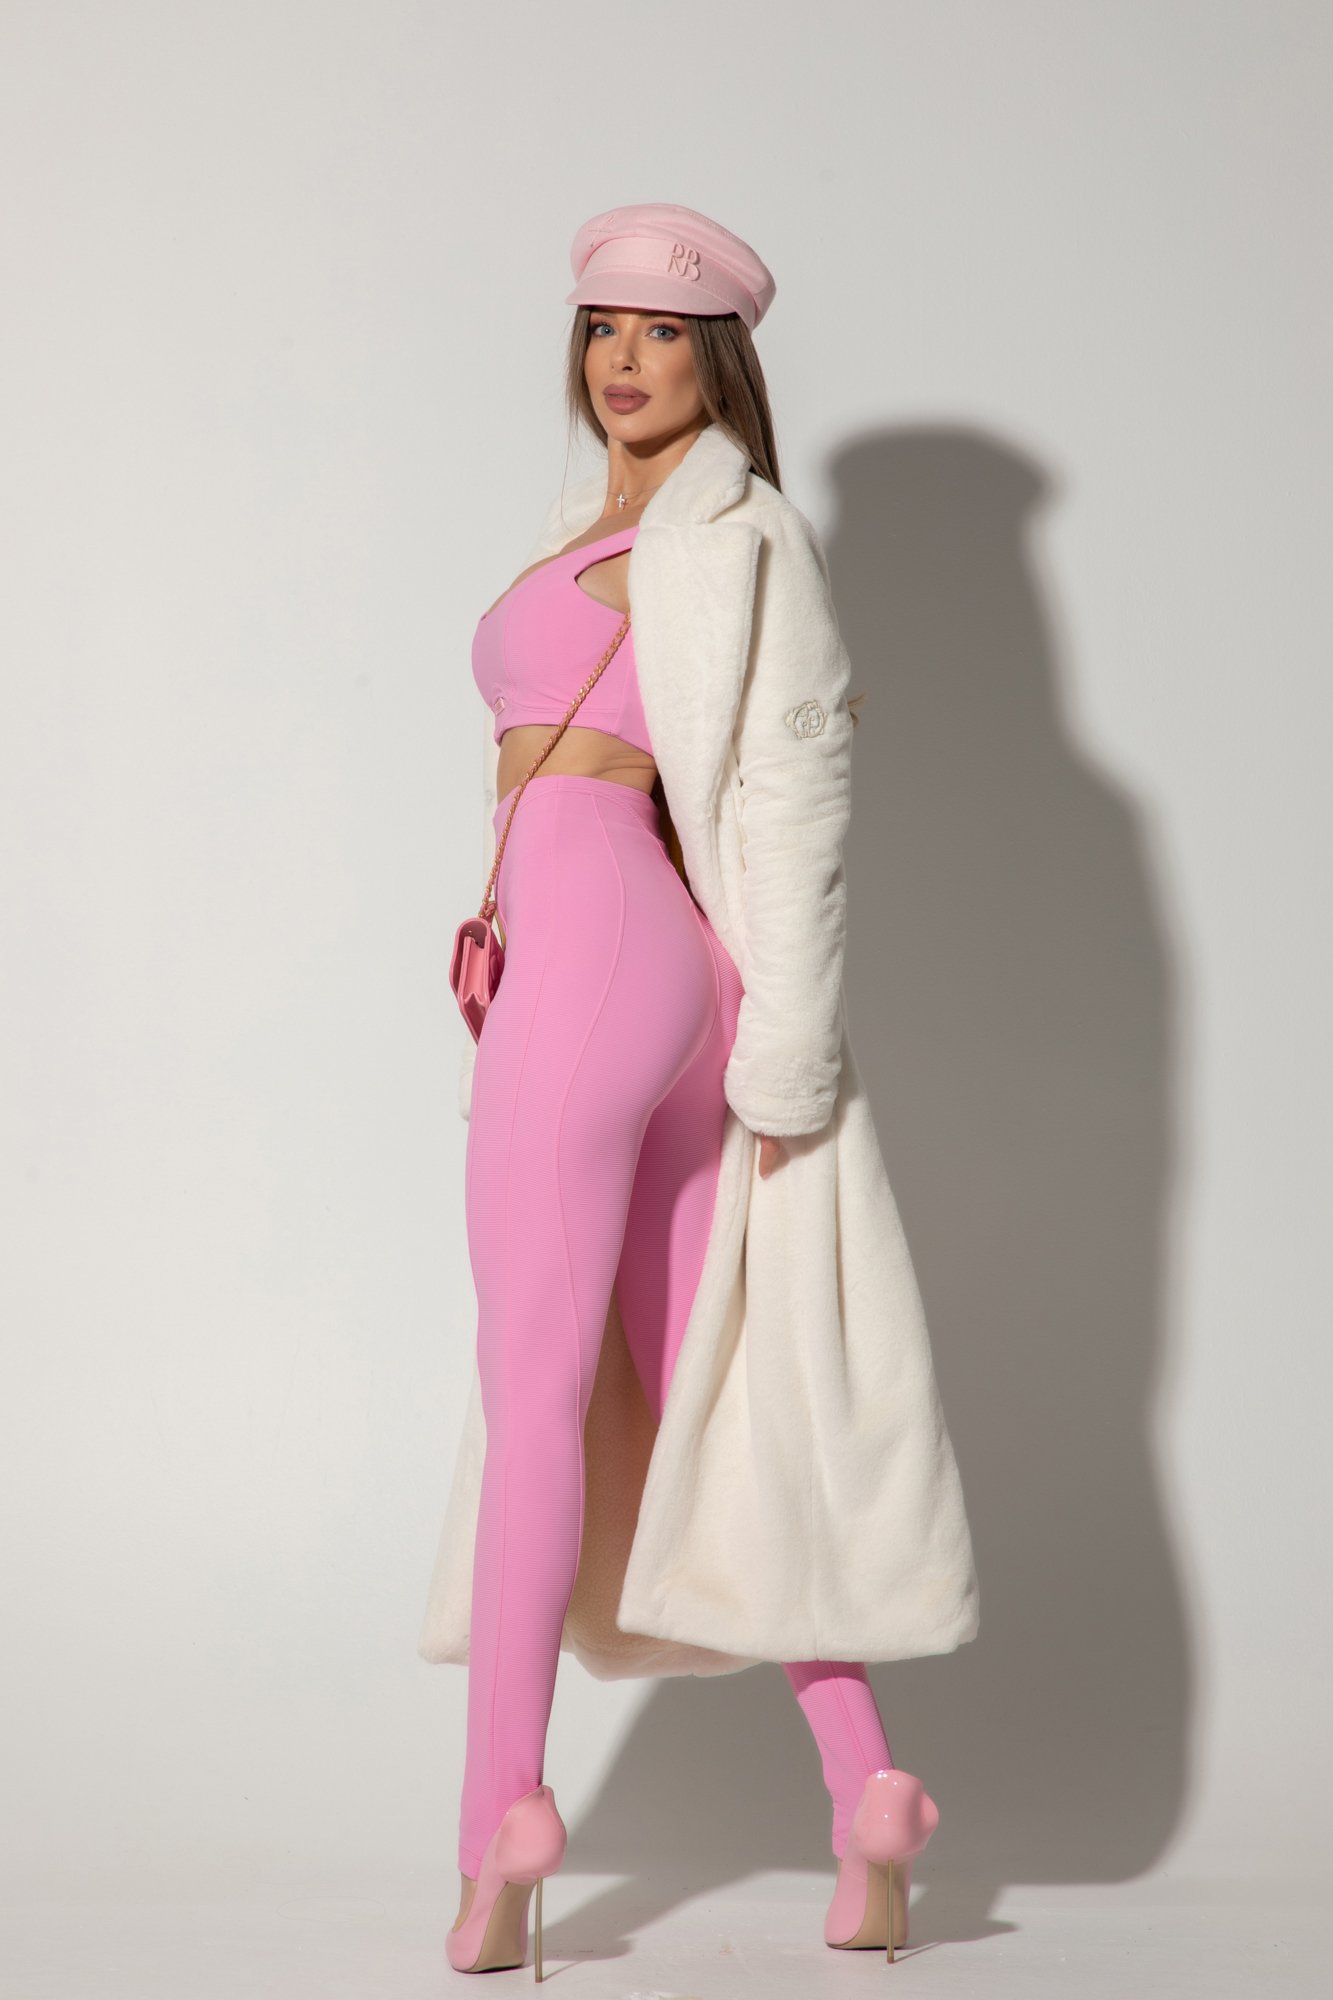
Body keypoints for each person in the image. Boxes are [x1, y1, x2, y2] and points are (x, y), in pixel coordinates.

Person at [421, 203, 978, 1978]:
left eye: (662, 332)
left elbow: (794, 789)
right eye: (602, 324)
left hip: (607, 959)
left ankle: (499, 1826)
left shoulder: (739, 533)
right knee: (698, 1404)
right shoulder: (603, 528)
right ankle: (870, 1794)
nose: (623, 357)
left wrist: (792, 1040)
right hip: (626, 962)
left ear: (719, 359)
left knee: (530, 1394)